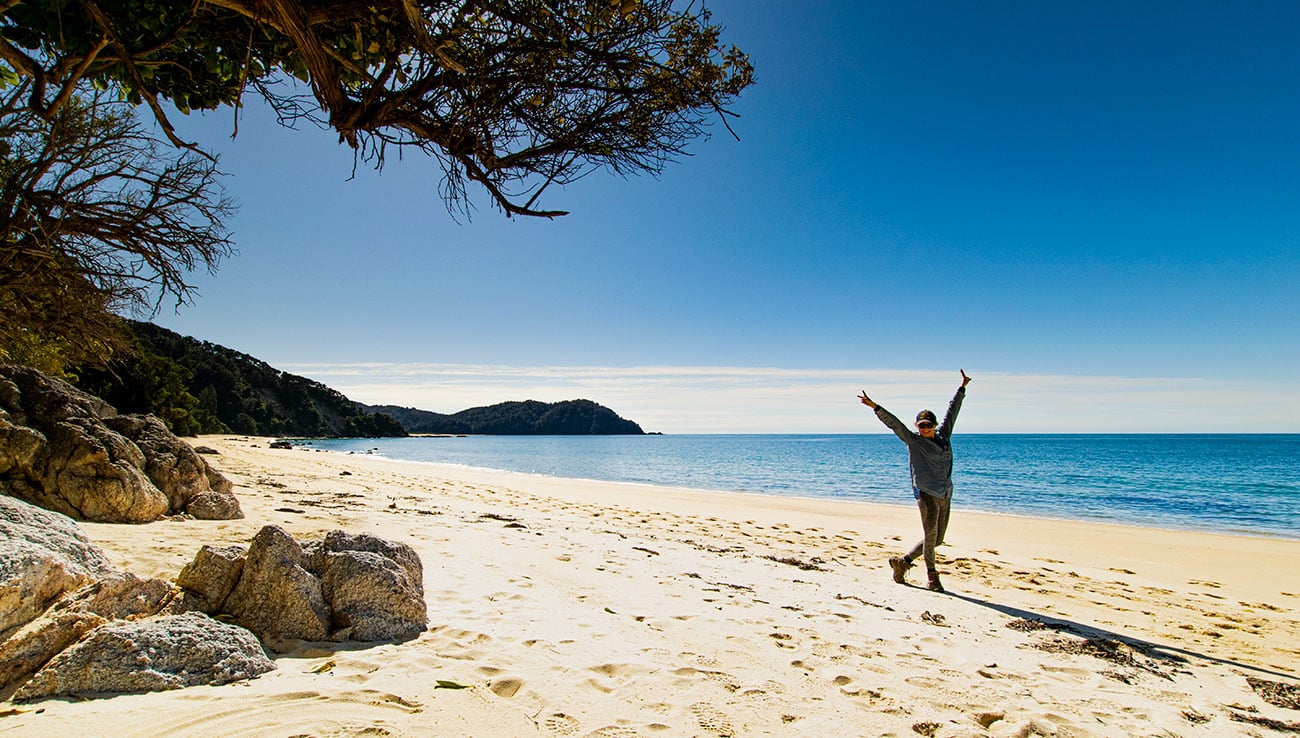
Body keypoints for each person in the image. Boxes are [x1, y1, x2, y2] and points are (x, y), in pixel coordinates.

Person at [857, 370, 971, 592]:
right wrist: (875, 407)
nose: (925, 429)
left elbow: (952, 412)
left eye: (929, 425)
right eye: (922, 426)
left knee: (937, 540)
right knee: (930, 537)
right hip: (926, 494)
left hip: (945, 494)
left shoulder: (944, 437)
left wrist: (962, 388)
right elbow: (895, 424)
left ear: (935, 425)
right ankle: (932, 577)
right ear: (917, 426)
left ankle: (903, 563)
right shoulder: (913, 441)